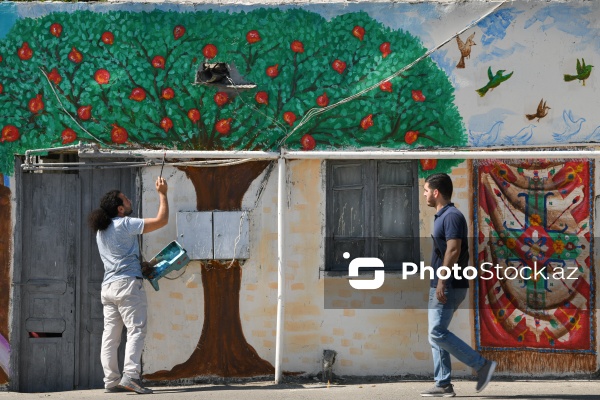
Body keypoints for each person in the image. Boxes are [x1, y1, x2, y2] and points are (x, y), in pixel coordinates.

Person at [88, 177, 169, 394]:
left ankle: (111, 380)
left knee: (110, 336)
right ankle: (131, 376)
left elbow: (119, 254)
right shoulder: (125, 223)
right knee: (136, 330)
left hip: (109, 287)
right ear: (120, 208)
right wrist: (162, 193)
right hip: (127, 286)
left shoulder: (100, 231)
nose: (130, 200)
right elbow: (161, 221)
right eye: (126, 199)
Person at [421, 173, 496, 397]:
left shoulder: (452, 216)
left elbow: (453, 249)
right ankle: (443, 384)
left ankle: (481, 365)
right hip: (442, 282)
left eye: (426, 190)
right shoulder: (442, 216)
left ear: (436, 192)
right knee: (435, 334)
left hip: (449, 283)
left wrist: (443, 279)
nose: (424, 194)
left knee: (436, 332)